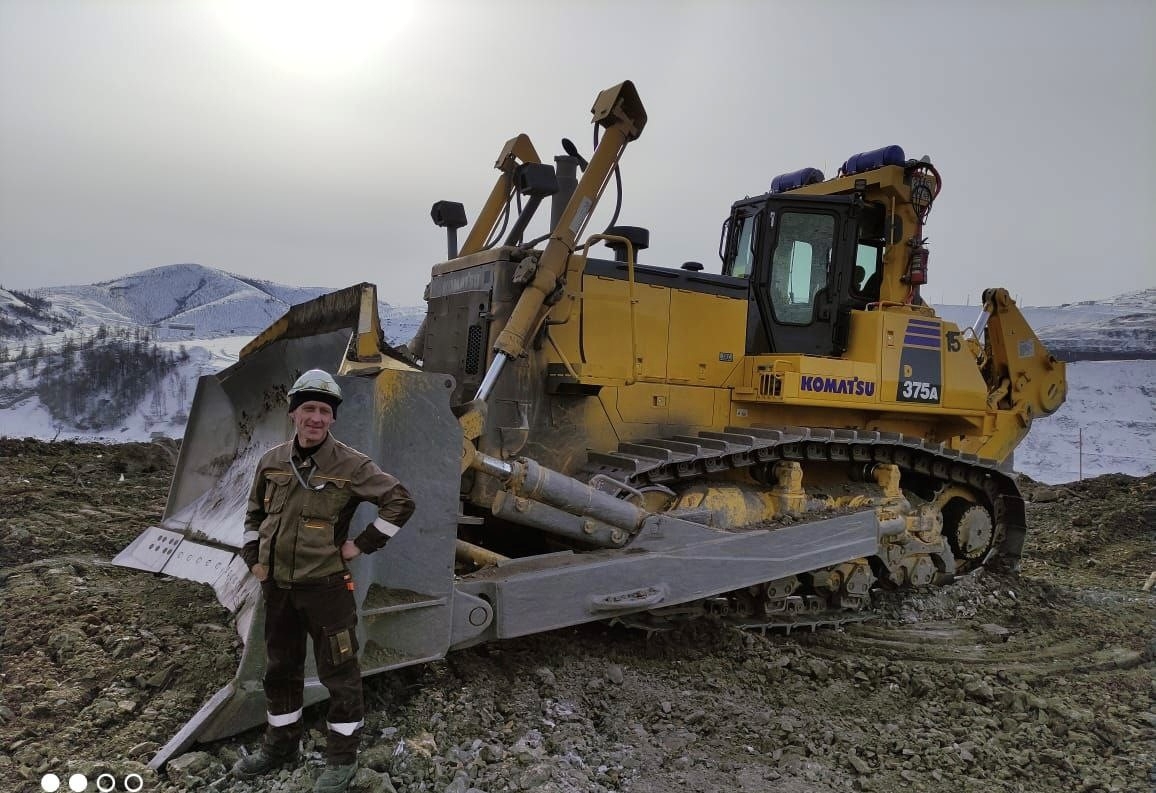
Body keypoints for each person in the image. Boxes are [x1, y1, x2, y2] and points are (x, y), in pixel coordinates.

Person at [233, 369, 415, 793]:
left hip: (326, 590)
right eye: (308, 409)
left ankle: (341, 759)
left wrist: (361, 545)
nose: (315, 418)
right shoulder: (272, 462)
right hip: (278, 589)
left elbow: (400, 500)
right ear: (294, 413)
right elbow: (254, 514)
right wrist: (253, 559)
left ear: (332, 419)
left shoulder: (351, 464)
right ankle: (281, 745)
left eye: (324, 411)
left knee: (340, 673)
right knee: (280, 669)